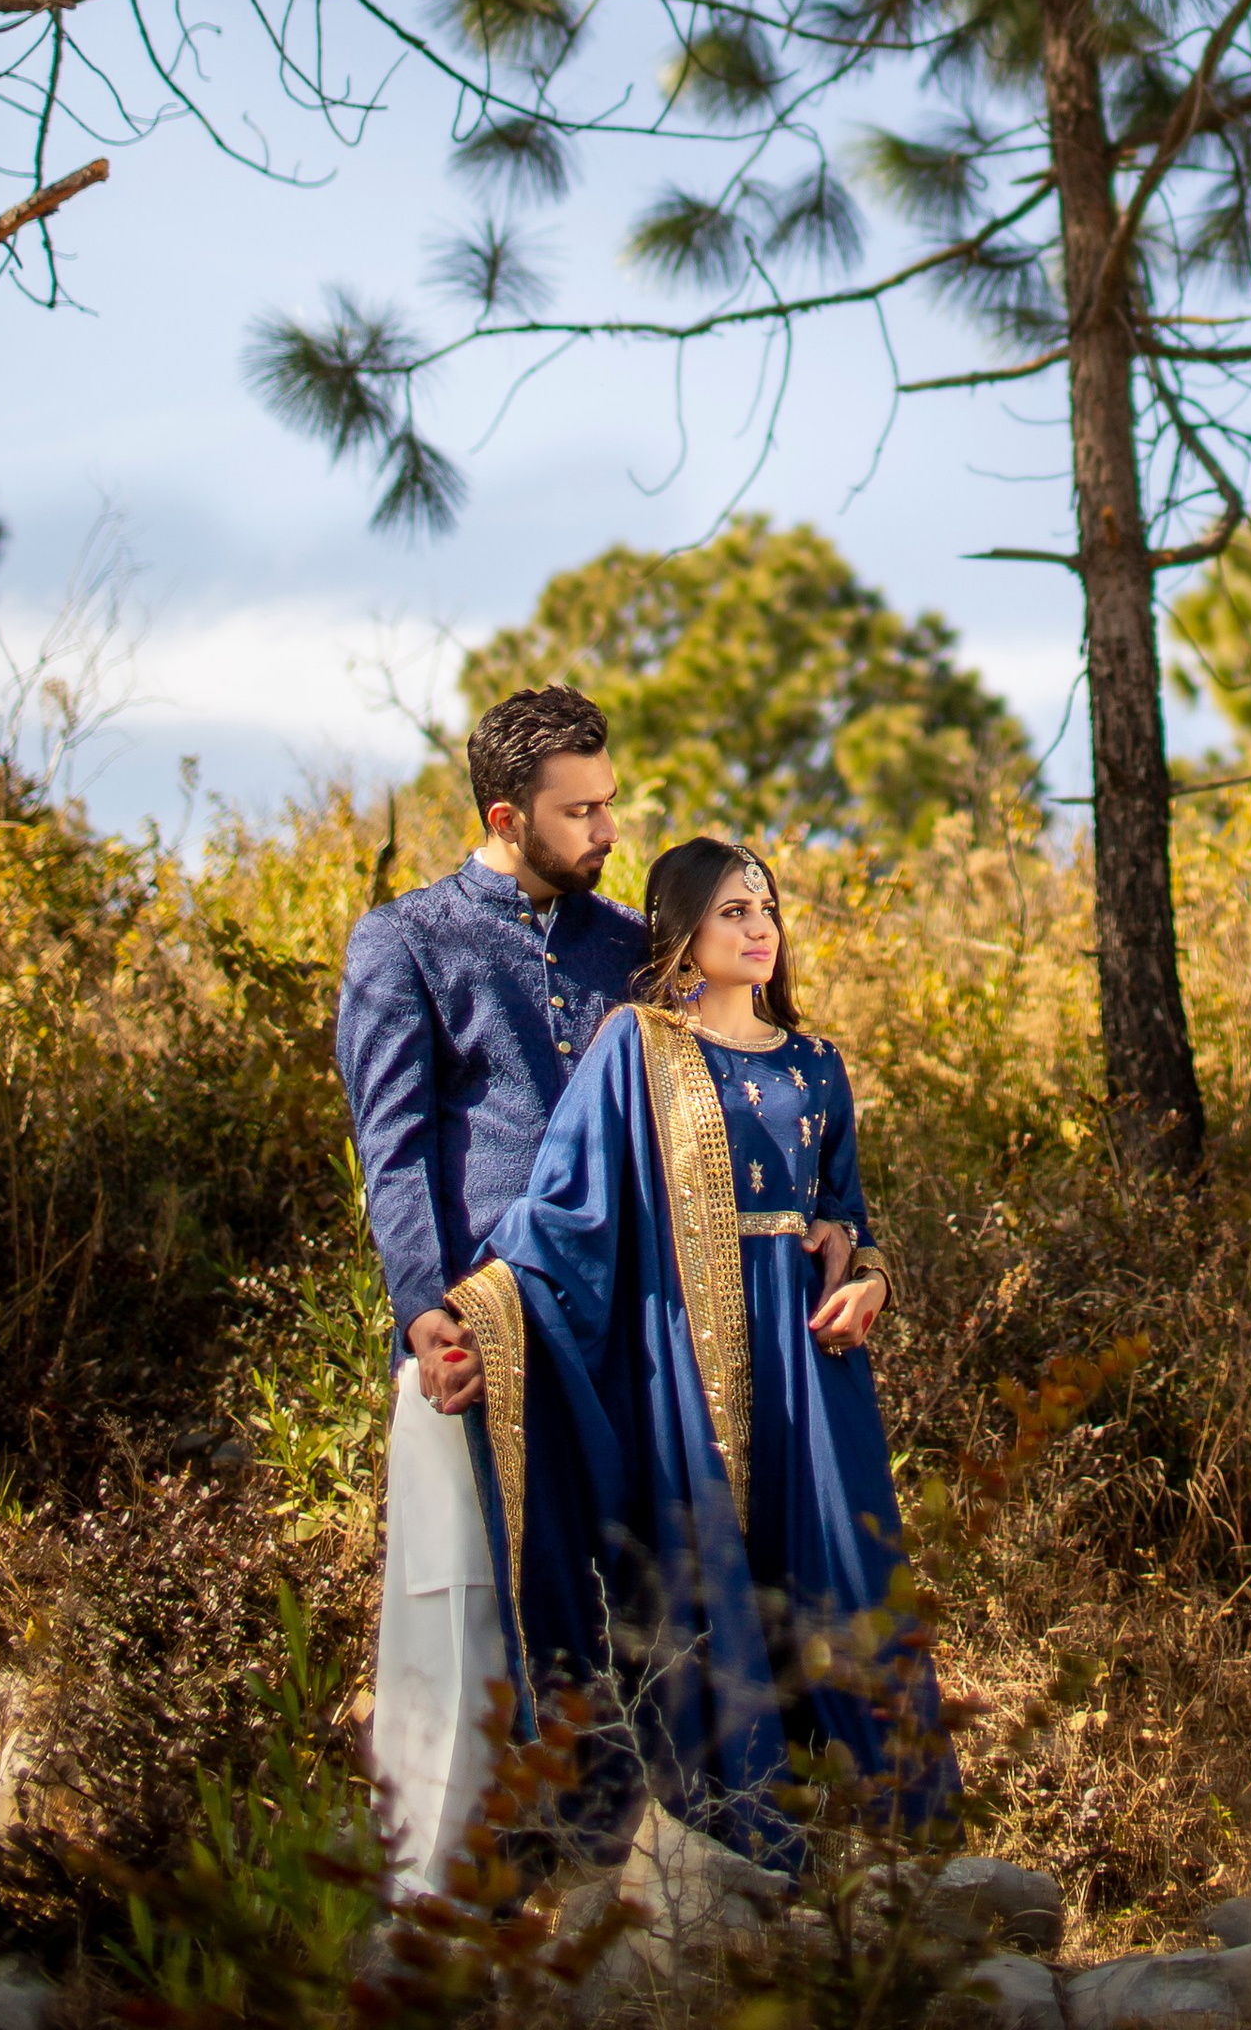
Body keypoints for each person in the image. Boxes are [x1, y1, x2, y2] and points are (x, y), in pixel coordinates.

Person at [334, 691, 855, 1889]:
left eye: (611, 801)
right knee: (491, 1595)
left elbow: (737, 1084)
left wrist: (827, 1220)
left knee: (645, 1570)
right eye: (582, 811)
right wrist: (425, 1306)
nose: (607, 827)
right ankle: (480, 1875)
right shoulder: (408, 944)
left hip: (645, 1322)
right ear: (508, 815)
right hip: (493, 1324)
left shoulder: (630, 944)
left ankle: (657, 1853)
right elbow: (395, 1148)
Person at [447, 836, 955, 1863]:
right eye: (731, 910)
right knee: (712, 1574)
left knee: (845, 1576)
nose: (758, 927)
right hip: (692, 1359)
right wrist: (476, 1313)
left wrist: (869, 1277)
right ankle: (740, 1833)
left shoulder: (818, 1067)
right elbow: (565, 1213)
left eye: (766, 907)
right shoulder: (635, 1050)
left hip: (815, 1369)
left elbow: (848, 1213)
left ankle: (895, 1837)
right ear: (680, 933)